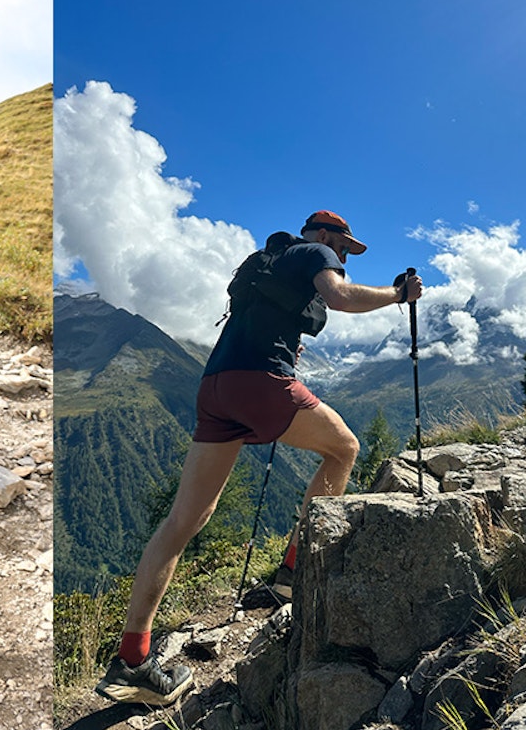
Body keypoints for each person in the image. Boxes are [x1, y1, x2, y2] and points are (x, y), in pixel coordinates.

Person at [94, 210, 423, 705]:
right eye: (346, 250)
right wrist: (399, 296)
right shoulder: (316, 254)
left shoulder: (269, 262)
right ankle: (295, 568)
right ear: (330, 238)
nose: (345, 259)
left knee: (183, 520)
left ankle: (132, 660)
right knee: (345, 449)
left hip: (215, 385)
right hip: (261, 383)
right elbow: (338, 296)